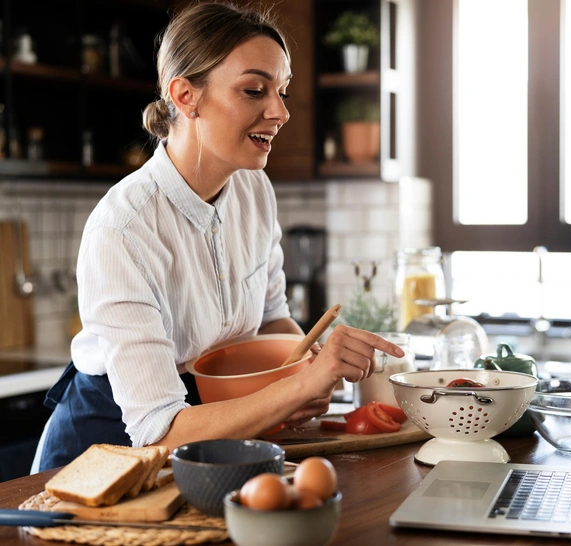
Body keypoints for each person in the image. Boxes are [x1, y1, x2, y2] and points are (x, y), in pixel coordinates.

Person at [34, 1, 404, 472]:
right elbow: (159, 429)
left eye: (282, 91)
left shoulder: (254, 189)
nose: (280, 112)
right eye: (254, 90)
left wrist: (307, 372)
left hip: (218, 433)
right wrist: (293, 389)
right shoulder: (122, 230)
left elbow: (272, 321)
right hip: (107, 452)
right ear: (185, 96)